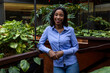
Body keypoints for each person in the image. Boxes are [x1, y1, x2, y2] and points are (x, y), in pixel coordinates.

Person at [37, 7, 79, 73]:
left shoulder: (70, 30)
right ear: (53, 16)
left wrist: (63, 52)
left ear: (64, 17)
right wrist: (49, 51)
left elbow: (76, 47)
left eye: (61, 15)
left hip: (71, 63)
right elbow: (40, 44)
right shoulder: (48, 30)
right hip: (57, 65)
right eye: (56, 15)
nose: (58, 17)